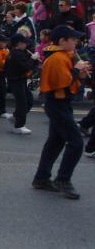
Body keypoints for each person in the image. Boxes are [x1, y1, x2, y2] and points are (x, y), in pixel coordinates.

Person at [32, 25, 90, 199]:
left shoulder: (65, 55)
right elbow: (62, 83)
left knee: (55, 142)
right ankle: (63, 180)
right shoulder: (57, 57)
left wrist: (79, 74)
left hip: (61, 102)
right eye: (72, 39)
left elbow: (71, 80)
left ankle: (41, 178)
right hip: (57, 102)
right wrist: (76, 71)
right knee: (76, 143)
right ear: (62, 41)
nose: (76, 42)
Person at [4, 33, 37, 134]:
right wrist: (33, 59)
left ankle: (15, 117)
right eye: (24, 43)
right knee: (22, 103)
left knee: (29, 100)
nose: (26, 45)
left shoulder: (19, 52)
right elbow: (26, 66)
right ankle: (18, 126)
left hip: (20, 80)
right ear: (18, 44)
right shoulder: (16, 54)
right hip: (16, 81)